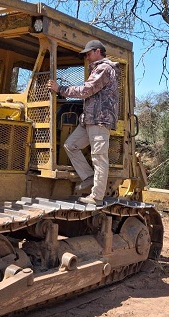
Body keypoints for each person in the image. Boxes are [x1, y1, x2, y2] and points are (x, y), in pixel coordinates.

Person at [48, 40, 119, 206]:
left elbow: (87, 90)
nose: (86, 57)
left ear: (97, 52)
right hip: (88, 120)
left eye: (88, 53)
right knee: (70, 145)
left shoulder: (104, 68)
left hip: (99, 120)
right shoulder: (96, 69)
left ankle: (97, 198)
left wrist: (60, 89)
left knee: (99, 158)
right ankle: (88, 176)